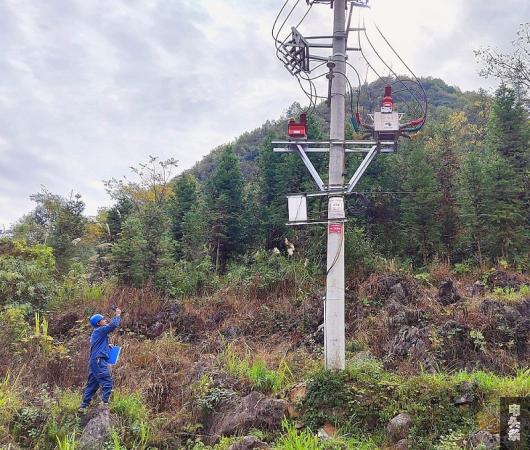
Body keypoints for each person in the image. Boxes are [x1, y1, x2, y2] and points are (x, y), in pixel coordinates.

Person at [80, 308, 121, 410]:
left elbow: (98, 346)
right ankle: (104, 404)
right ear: (98, 323)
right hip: (99, 361)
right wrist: (118, 315)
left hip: (94, 361)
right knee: (107, 381)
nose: (105, 320)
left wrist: (107, 346)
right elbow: (113, 325)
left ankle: (84, 406)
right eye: (103, 319)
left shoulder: (97, 333)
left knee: (92, 384)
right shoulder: (100, 330)